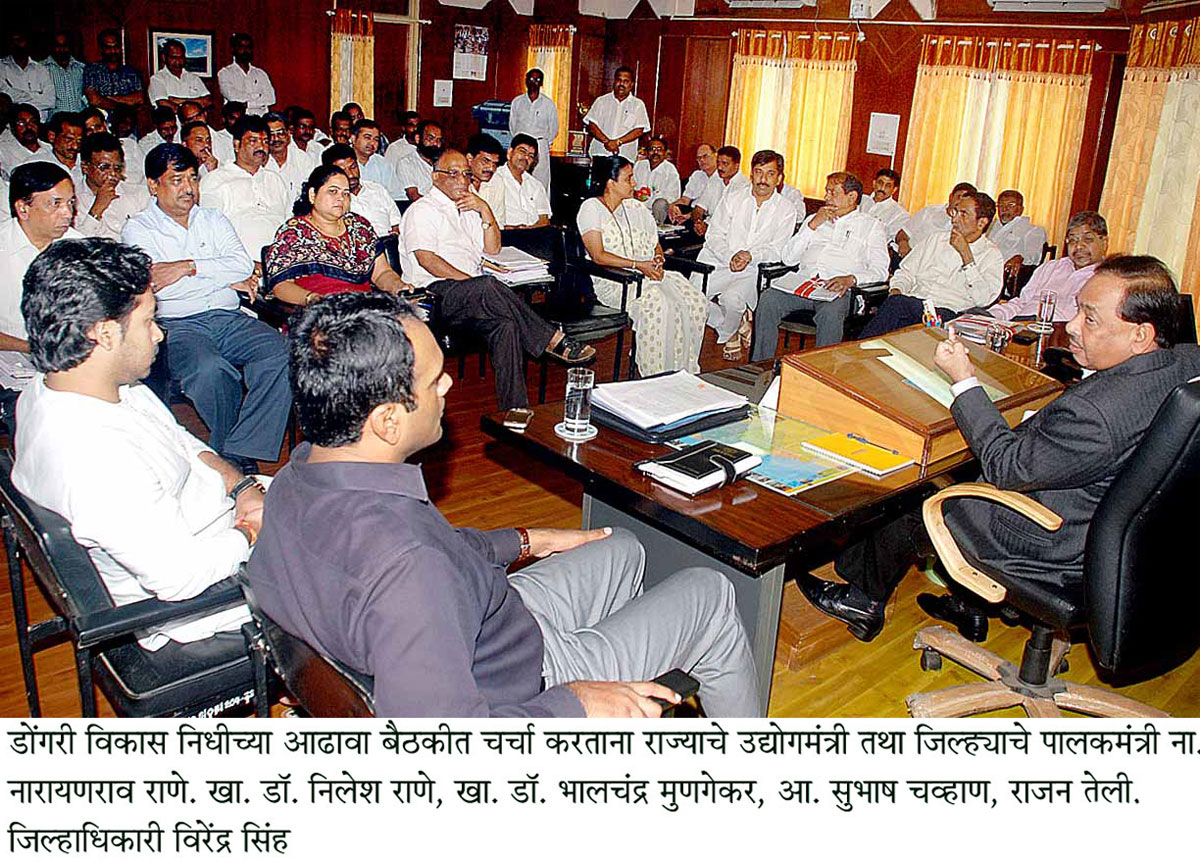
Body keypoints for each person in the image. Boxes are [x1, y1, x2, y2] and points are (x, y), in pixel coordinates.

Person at [248, 290, 760, 717]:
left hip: (488, 621)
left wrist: (522, 540)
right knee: (710, 592)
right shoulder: (411, 572)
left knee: (624, 547)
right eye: (433, 380)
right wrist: (574, 704)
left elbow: (431, 554)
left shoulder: (299, 474)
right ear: (387, 421)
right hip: (523, 683)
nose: (448, 383)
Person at [799, 255, 1200, 642]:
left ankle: (861, 600)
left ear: (1141, 334)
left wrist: (963, 380)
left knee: (916, 488)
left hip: (1051, 540)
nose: (1073, 326)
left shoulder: (1097, 415)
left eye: (1090, 318)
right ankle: (967, 603)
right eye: (1078, 309)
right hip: (1123, 529)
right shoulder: (1185, 362)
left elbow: (1007, 466)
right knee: (962, 459)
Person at [13, 237, 263, 650]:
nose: (160, 334)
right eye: (148, 321)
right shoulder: (95, 456)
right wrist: (253, 530)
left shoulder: (74, 384)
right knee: (366, 559)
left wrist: (242, 489)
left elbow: (179, 441)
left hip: (219, 519)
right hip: (197, 602)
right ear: (106, 334)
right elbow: (179, 577)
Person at [121, 143, 291, 472]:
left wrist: (186, 267)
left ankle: (235, 448)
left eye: (193, 179)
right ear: (154, 185)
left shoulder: (213, 219)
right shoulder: (139, 228)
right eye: (177, 180)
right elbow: (157, 284)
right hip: (178, 323)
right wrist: (221, 277)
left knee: (281, 353)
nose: (188, 188)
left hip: (229, 317)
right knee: (211, 371)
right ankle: (235, 456)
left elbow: (242, 266)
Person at [403, 149, 594, 410]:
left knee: (505, 325)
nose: (462, 180)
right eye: (454, 174)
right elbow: (427, 260)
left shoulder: (469, 207)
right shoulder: (422, 210)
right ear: (436, 177)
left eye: (466, 174)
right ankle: (552, 339)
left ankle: (514, 409)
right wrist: (470, 282)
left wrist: (485, 210)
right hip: (433, 296)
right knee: (487, 285)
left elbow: (492, 249)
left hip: (472, 296)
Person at [577, 156, 707, 377]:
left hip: (647, 273)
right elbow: (598, 255)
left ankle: (682, 372)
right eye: (629, 179)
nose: (635, 184)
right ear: (611, 183)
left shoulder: (636, 208)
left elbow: (655, 243)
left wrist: (657, 258)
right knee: (660, 304)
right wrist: (639, 265)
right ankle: (656, 373)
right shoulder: (591, 208)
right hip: (617, 280)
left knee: (695, 302)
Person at [752, 171, 889, 354]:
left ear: (852, 197)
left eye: (833, 193)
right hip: (804, 283)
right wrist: (812, 225)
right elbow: (788, 258)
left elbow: (881, 271)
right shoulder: (815, 219)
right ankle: (761, 365)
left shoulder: (871, 226)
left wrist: (851, 279)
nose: (826, 197)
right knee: (768, 298)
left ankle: (820, 372)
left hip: (840, 291)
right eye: (826, 192)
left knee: (830, 313)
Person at [859, 190, 1003, 338]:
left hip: (948, 314)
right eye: (955, 212)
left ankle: (859, 352)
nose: (954, 219)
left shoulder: (991, 255)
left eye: (963, 214)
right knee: (895, 308)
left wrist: (966, 256)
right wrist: (897, 289)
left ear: (981, 222)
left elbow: (983, 300)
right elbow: (906, 272)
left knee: (896, 313)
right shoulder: (935, 239)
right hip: (912, 303)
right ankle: (863, 352)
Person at [696, 150, 795, 361]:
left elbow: (778, 250)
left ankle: (731, 328)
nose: (763, 179)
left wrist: (749, 256)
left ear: (779, 178)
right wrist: (730, 256)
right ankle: (731, 328)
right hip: (716, 262)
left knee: (732, 300)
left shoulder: (786, 209)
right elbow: (713, 236)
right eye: (758, 172)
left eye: (770, 174)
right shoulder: (732, 198)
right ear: (751, 174)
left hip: (751, 269)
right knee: (691, 300)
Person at [263, 164, 412, 306]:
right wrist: (312, 299)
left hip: (365, 309)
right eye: (333, 191)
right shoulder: (294, 233)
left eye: (346, 193)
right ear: (312, 195)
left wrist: (398, 286)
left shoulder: (360, 227)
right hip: (320, 313)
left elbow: (382, 273)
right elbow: (281, 286)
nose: (341, 198)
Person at [0, 161, 82, 351]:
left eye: (70, 202)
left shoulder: (78, 246)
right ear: (23, 209)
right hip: (8, 357)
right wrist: (33, 348)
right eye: (56, 204)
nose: (68, 213)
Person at [199, 115, 292, 263]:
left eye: (265, 141)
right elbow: (208, 234)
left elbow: (289, 223)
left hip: (281, 264)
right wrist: (244, 265)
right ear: (236, 145)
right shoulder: (216, 180)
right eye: (253, 141)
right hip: (240, 267)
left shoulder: (275, 180)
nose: (261, 147)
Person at [989, 211, 1108, 324]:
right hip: (1022, 326)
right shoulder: (1051, 267)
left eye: (1088, 239)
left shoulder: (1106, 278)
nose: (1079, 246)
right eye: (1072, 240)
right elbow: (1022, 302)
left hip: (1058, 335)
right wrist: (992, 315)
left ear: (1104, 243)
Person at [75, 131, 151, 240]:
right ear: (85, 167)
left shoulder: (138, 194)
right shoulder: (74, 199)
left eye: (117, 168)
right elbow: (75, 245)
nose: (113, 174)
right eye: (104, 167)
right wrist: (97, 209)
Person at [321, 143, 402, 237]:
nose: (351, 175)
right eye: (343, 171)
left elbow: (396, 222)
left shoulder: (377, 189)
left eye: (353, 167)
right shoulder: (332, 200)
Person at [583, 67, 650, 163]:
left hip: (625, 158)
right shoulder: (601, 101)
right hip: (600, 154)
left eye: (626, 81)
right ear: (614, 82)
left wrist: (618, 142)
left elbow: (639, 130)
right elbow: (592, 125)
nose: (621, 84)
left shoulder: (638, 105)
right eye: (619, 80)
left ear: (631, 85)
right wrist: (607, 142)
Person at [508, 68, 557, 194]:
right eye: (531, 79)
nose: (533, 82)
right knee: (518, 178)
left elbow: (553, 129)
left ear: (541, 83)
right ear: (525, 81)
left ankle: (541, 212)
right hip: (521, 145)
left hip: (540, 146)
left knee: (541, 182)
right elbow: (512, 126)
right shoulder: (517, 102)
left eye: (537, 80)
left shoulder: (548, 104)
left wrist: (543, 143)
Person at [896, 182, 975, 258]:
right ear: (951, 197)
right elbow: (903, 233)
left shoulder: (965, 226)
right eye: (958, 197)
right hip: (907, 254)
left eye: (965, 199)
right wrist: (903, 243)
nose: (960, 202)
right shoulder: (929, 211)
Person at [489, 133, 550, 229]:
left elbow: (544, 219)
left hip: (534, 236)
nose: (526, 157)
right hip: (506, 236)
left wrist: (528, 230)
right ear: (510, 152)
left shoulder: (536, 185)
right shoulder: (494, 178)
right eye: (522, 151)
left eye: (531, 155)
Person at [989, 189, 1048, 279]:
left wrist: (1020, 258)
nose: (1005, 209)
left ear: (1020, 209)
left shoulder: (1033, 230)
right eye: (1001, 205)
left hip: (1008, 278)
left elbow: (1033, 257)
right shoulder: (990, 226)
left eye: (1011, 205)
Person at [690, 145, 749, 235]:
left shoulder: (744, 186)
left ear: (736, 166)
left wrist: (708, 227)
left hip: (727, 234)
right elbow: (699, 209)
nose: (720, 167)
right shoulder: (715, 179)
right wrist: (698, 222)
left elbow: (731, 222)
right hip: (706, 228)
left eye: (725, 164)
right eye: (718, 163)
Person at [83, 29, 144, 113]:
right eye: (108, 47)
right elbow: (94, 100)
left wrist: (108, 98)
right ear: (101, 49)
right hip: (101, 122)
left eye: (116, 47)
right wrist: (125, 105)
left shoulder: (131, 72)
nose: (113, 51)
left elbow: (139, 98)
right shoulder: (92, 70)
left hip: (127, 123)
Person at [79, 105, 143, 185]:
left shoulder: (129, 144)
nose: (95, 132)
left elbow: (147, 171)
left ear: (105, 125)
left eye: (98, 127)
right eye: (89, 130)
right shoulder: (84, 155)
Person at [217, 34, 275, 116]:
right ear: (233, 49)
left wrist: (247, 104)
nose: (245, 50)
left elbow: (271, 99)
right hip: (238, 121)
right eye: (241, 47)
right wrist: (258, 96)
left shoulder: (260, 73)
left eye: (248, 47)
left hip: (260, 120)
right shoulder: (225, 73)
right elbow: (233, 98)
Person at [0, 32, 55, 118]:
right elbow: (4, 97)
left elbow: (50, 101)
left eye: (19, 40)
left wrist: (17, 100)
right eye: (13, 41)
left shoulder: (41, 69)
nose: (16, 44)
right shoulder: (1, 67)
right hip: (12, 126)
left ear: (28, 43)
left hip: (40, 125)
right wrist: (35, 96)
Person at [262, 111, 315, 200]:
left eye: (280, 133)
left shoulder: (303, 160)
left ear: (288, 134)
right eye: (271, 134)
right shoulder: (259, 161)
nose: (276, 139)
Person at [632, 136, 681, 225]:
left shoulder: (670, 170)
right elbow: (630, 186)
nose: (655, 152)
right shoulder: (639, 165)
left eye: (659, 149)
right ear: (646, 152)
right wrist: (635, 194)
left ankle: (657, 228)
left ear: (665, 153)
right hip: (637, 208)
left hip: (657, 211)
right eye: (652, 149)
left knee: (660, 204)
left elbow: (673, 197)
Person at [668, 142, 717, 224]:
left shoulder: (722, 178)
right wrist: (673, 206)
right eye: (699, 158)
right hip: (692, 211)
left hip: (708, 215)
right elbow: (685, 200)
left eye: (705, 156)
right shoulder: (697, 175)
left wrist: (690, 215)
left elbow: (713, 208)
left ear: (716, 155)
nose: (702, 160)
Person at [351, 118, 401, 198]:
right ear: (353, 138)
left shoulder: (383, 164)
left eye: (376, 139)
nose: (372, 143)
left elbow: (397, 195)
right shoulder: (343, 162)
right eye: (367, 137)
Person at [34, 111, 85, 190]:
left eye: (79, 141)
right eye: (69, 139)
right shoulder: (38, 166)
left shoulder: (88, 163)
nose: (75, 146)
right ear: (52, 136)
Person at [465, 133, 506, 226]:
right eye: (485, 161)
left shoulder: (496, 181)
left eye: (495, 164)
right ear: (470, 159)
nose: (491, 168)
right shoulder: (456, 182)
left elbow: (499, 223)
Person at [859, 168, 907, 247]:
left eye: (888, 186)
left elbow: (897, 239)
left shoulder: (899, 214)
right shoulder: (860, 200)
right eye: (880, 183)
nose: (882, 188)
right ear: (874, 183)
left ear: (894, 190)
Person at [396, 120, 441, 201]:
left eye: (438, 140)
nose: (435, 144)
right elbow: (414, 196)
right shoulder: (407, 163)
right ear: (418, 139)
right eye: (430, 138)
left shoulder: (443, 162)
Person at [43, 33, 86, 115]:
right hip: (55, 123)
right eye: (58, 46)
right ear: (52, 47)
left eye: (65, 46)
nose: (62, 49)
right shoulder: (42, 69)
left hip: (79, 121)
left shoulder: (81, 68)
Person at [0, 105, 45, 176]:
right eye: (21, 123)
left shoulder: (50, 149)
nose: (29, 127)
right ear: (13, 127)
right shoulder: (3, 151)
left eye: (33, 122)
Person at [210, 101, 244, 166]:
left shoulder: (247, 138)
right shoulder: (217, 138)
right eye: (232, 118)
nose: (237, 122)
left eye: (240, 119)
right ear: (224, 119)